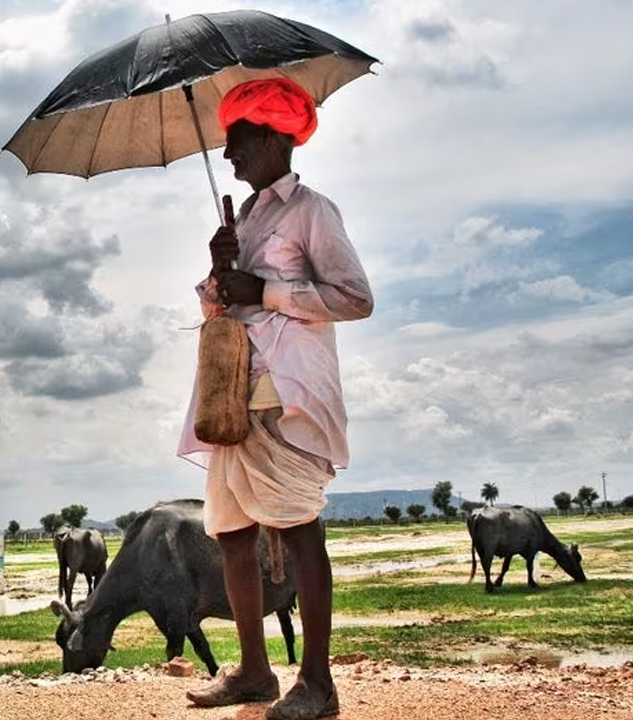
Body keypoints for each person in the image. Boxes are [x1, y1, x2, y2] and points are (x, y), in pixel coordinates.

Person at [176, 77, 374, 720]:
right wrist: (218, 273)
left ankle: (318, 683)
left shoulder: (312, 210)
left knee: (298, 530)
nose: (228, 157)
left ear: (269, 136)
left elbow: (354, 299)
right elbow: (223, 307)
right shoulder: (246, 219)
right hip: (233, 394)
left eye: (235, 140)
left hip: (286, 396)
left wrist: (264, 292)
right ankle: (255, 673)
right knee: (232, 533)